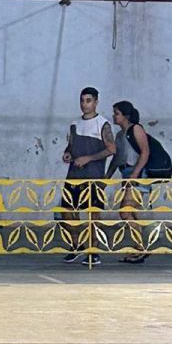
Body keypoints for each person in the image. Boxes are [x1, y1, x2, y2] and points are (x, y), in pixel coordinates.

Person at [60, 87, 115, 267]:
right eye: (82, 100)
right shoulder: (74, 124)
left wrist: (89, 158)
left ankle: (94, 251)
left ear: (96, 102)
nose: (85, 104)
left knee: (92, 214)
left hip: (93, 176)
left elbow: (112, 149)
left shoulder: (103, 124)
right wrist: (68, 154)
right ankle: (76, 245)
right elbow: (70, 146)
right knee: (67, 212)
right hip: (74, 175)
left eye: (88, 100)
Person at [108, 101, 151, 264]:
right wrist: (107, 176)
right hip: (126, 173)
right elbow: (117, 158)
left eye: (116, 113)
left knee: (125, 212)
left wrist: (135, 173)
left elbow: (145, 152)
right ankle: (140, 248)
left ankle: (140, 248)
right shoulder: (119, 135)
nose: (114, 116)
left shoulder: (136, 129)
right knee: (131, 213)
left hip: (137, 174)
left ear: (125, 116)